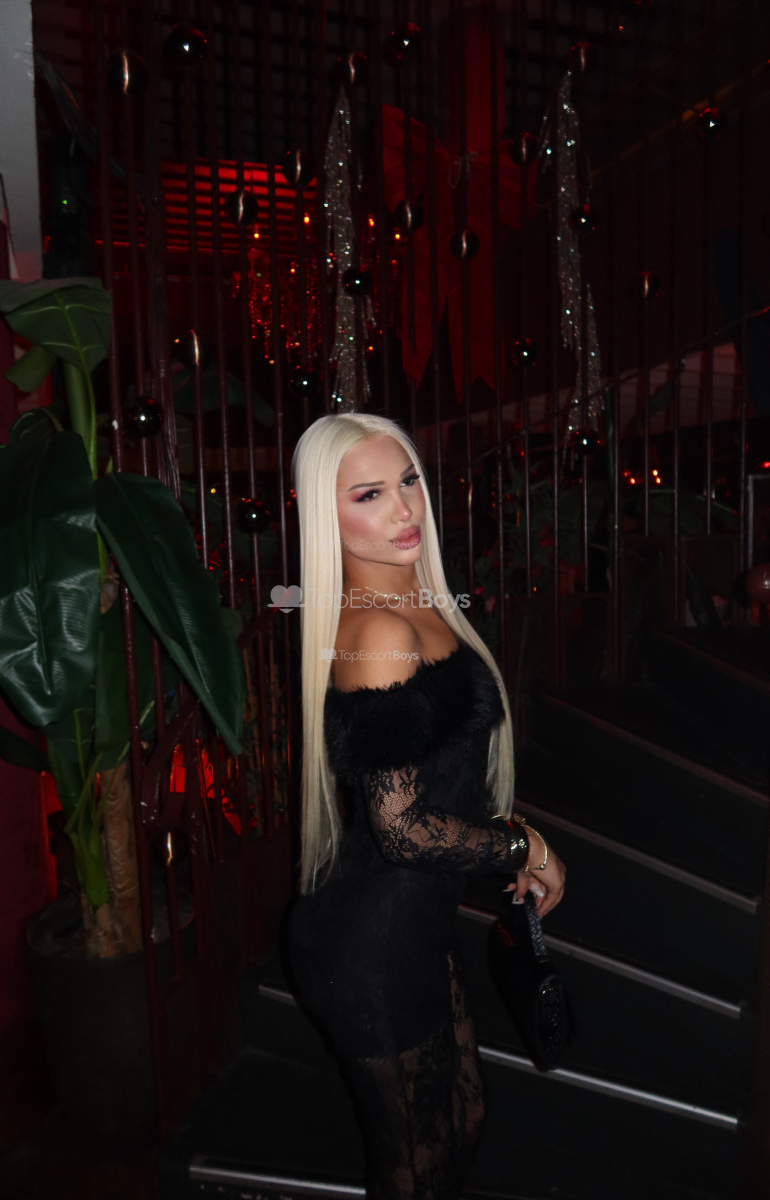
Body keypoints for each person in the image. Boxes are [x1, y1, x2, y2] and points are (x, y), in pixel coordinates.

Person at [285, 412, 566, 1200]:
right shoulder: (380, 632)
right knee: (418, 1168)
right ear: (326, 514)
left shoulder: (418, 599)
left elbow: (440, 790)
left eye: (407, 480)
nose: (405, 508)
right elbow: (404, 830)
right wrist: (524, 846)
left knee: (463, 1123)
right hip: (372, 941)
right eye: (369, 494)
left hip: (413, 925)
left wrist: (510, 837)